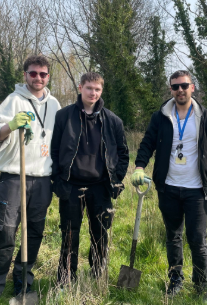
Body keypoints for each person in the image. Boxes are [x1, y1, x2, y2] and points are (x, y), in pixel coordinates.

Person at [132, 70, 207, 304]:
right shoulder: (161, 116)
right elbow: (147, 143)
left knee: (197, 238)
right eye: (175, 87)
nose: (180, 90)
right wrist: (139, 166)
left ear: (192, 87)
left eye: (184, 85)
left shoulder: (206, 117)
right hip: (169, 188)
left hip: (197, 190)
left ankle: (202, 286)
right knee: (173, 236)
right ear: (170, 90)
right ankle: (175, 280)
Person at [0, 55, 61, 304]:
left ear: (48, 77)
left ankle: (23, 283)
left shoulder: (55, 104)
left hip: (42, 180)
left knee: (34, 233)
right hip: (15, 178)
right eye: (33, 73)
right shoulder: (13, 101)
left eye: (43, 74)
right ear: (25, 74)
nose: (38, 78)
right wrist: (12, 125)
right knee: (5, 233)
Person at [50, 72, 129, 285]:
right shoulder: (64, 116)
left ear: (101, 91)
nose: (93, 93)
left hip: (100, 188)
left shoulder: (113, 121)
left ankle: (98, 277)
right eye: (89, 88)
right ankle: (66, 280)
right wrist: (58, 181)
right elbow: (54, 151)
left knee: (100, 236)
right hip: (70, 186)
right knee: (69, 236)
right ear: (80, 88)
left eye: (97, 89)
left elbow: (123, 153)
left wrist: (116, 180)